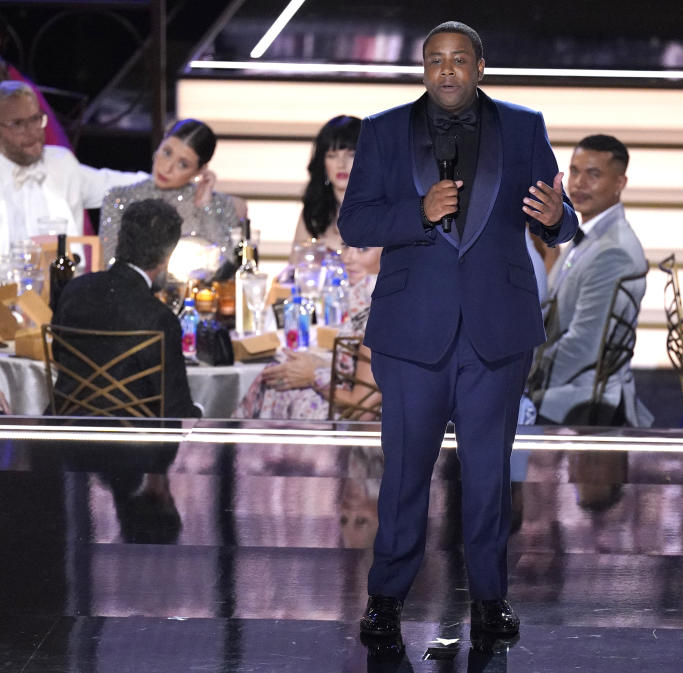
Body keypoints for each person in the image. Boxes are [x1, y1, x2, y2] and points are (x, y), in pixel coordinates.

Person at [337, 21, 578, 639]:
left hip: (496, 330)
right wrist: (417, 213)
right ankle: (385, 597)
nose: (447, 70)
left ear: (479, 67)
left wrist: (559, 219)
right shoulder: (384, 129)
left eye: (459, 60)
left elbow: (557, 213)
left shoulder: (523, 127)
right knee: (404, 474)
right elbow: (356, 221)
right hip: (414, 330)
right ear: (424, 68)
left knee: (490, 474)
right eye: (435, 60)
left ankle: (490, 599)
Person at [529, 134, 651, 426]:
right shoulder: (591, 234)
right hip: (568, 388)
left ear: (620, 183)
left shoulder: (613, 251)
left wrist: (525, 379)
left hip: (582, 400)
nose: (579, 183)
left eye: (593, 175)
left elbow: (583, 346)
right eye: (574, 171)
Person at [0, 81, 147, 290]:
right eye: (18, 124)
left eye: (36, 119)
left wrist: (173, 179)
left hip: (67, 301)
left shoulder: (61, 163)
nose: (32, 131)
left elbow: (112, 184)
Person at [50, 198, 201, 419]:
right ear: (167, 256)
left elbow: (59, 357)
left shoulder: (74, 290)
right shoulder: (160, 318)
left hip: (63, 436)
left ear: (120, 240)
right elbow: (175, 412)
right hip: (134, 448)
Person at [233, 244, 382, 420]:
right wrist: (320, 364)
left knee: (278, 387)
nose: (348, 258)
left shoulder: (382, 311)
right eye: (345, 247)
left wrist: (314, 376)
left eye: (362, 249)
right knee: (276, 374)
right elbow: (362, 370)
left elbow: (363, 411)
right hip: (348, 404)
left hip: (359, 424)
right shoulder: (366, 297)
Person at [99, 118, 244, 267]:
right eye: (167, 152)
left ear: (200, 170)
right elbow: (112, 265)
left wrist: (205, 207)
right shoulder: (119, 198)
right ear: (160, 145)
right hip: (134, 289)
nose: (167, 168)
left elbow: (230, 267)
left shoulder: (220, 205)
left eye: (183, 164)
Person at [290, 115, 361, 260]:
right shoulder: (313, 212)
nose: (341, 164)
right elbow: (294, 268)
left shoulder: (384, 210)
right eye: (332, 155)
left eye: (351, 154)